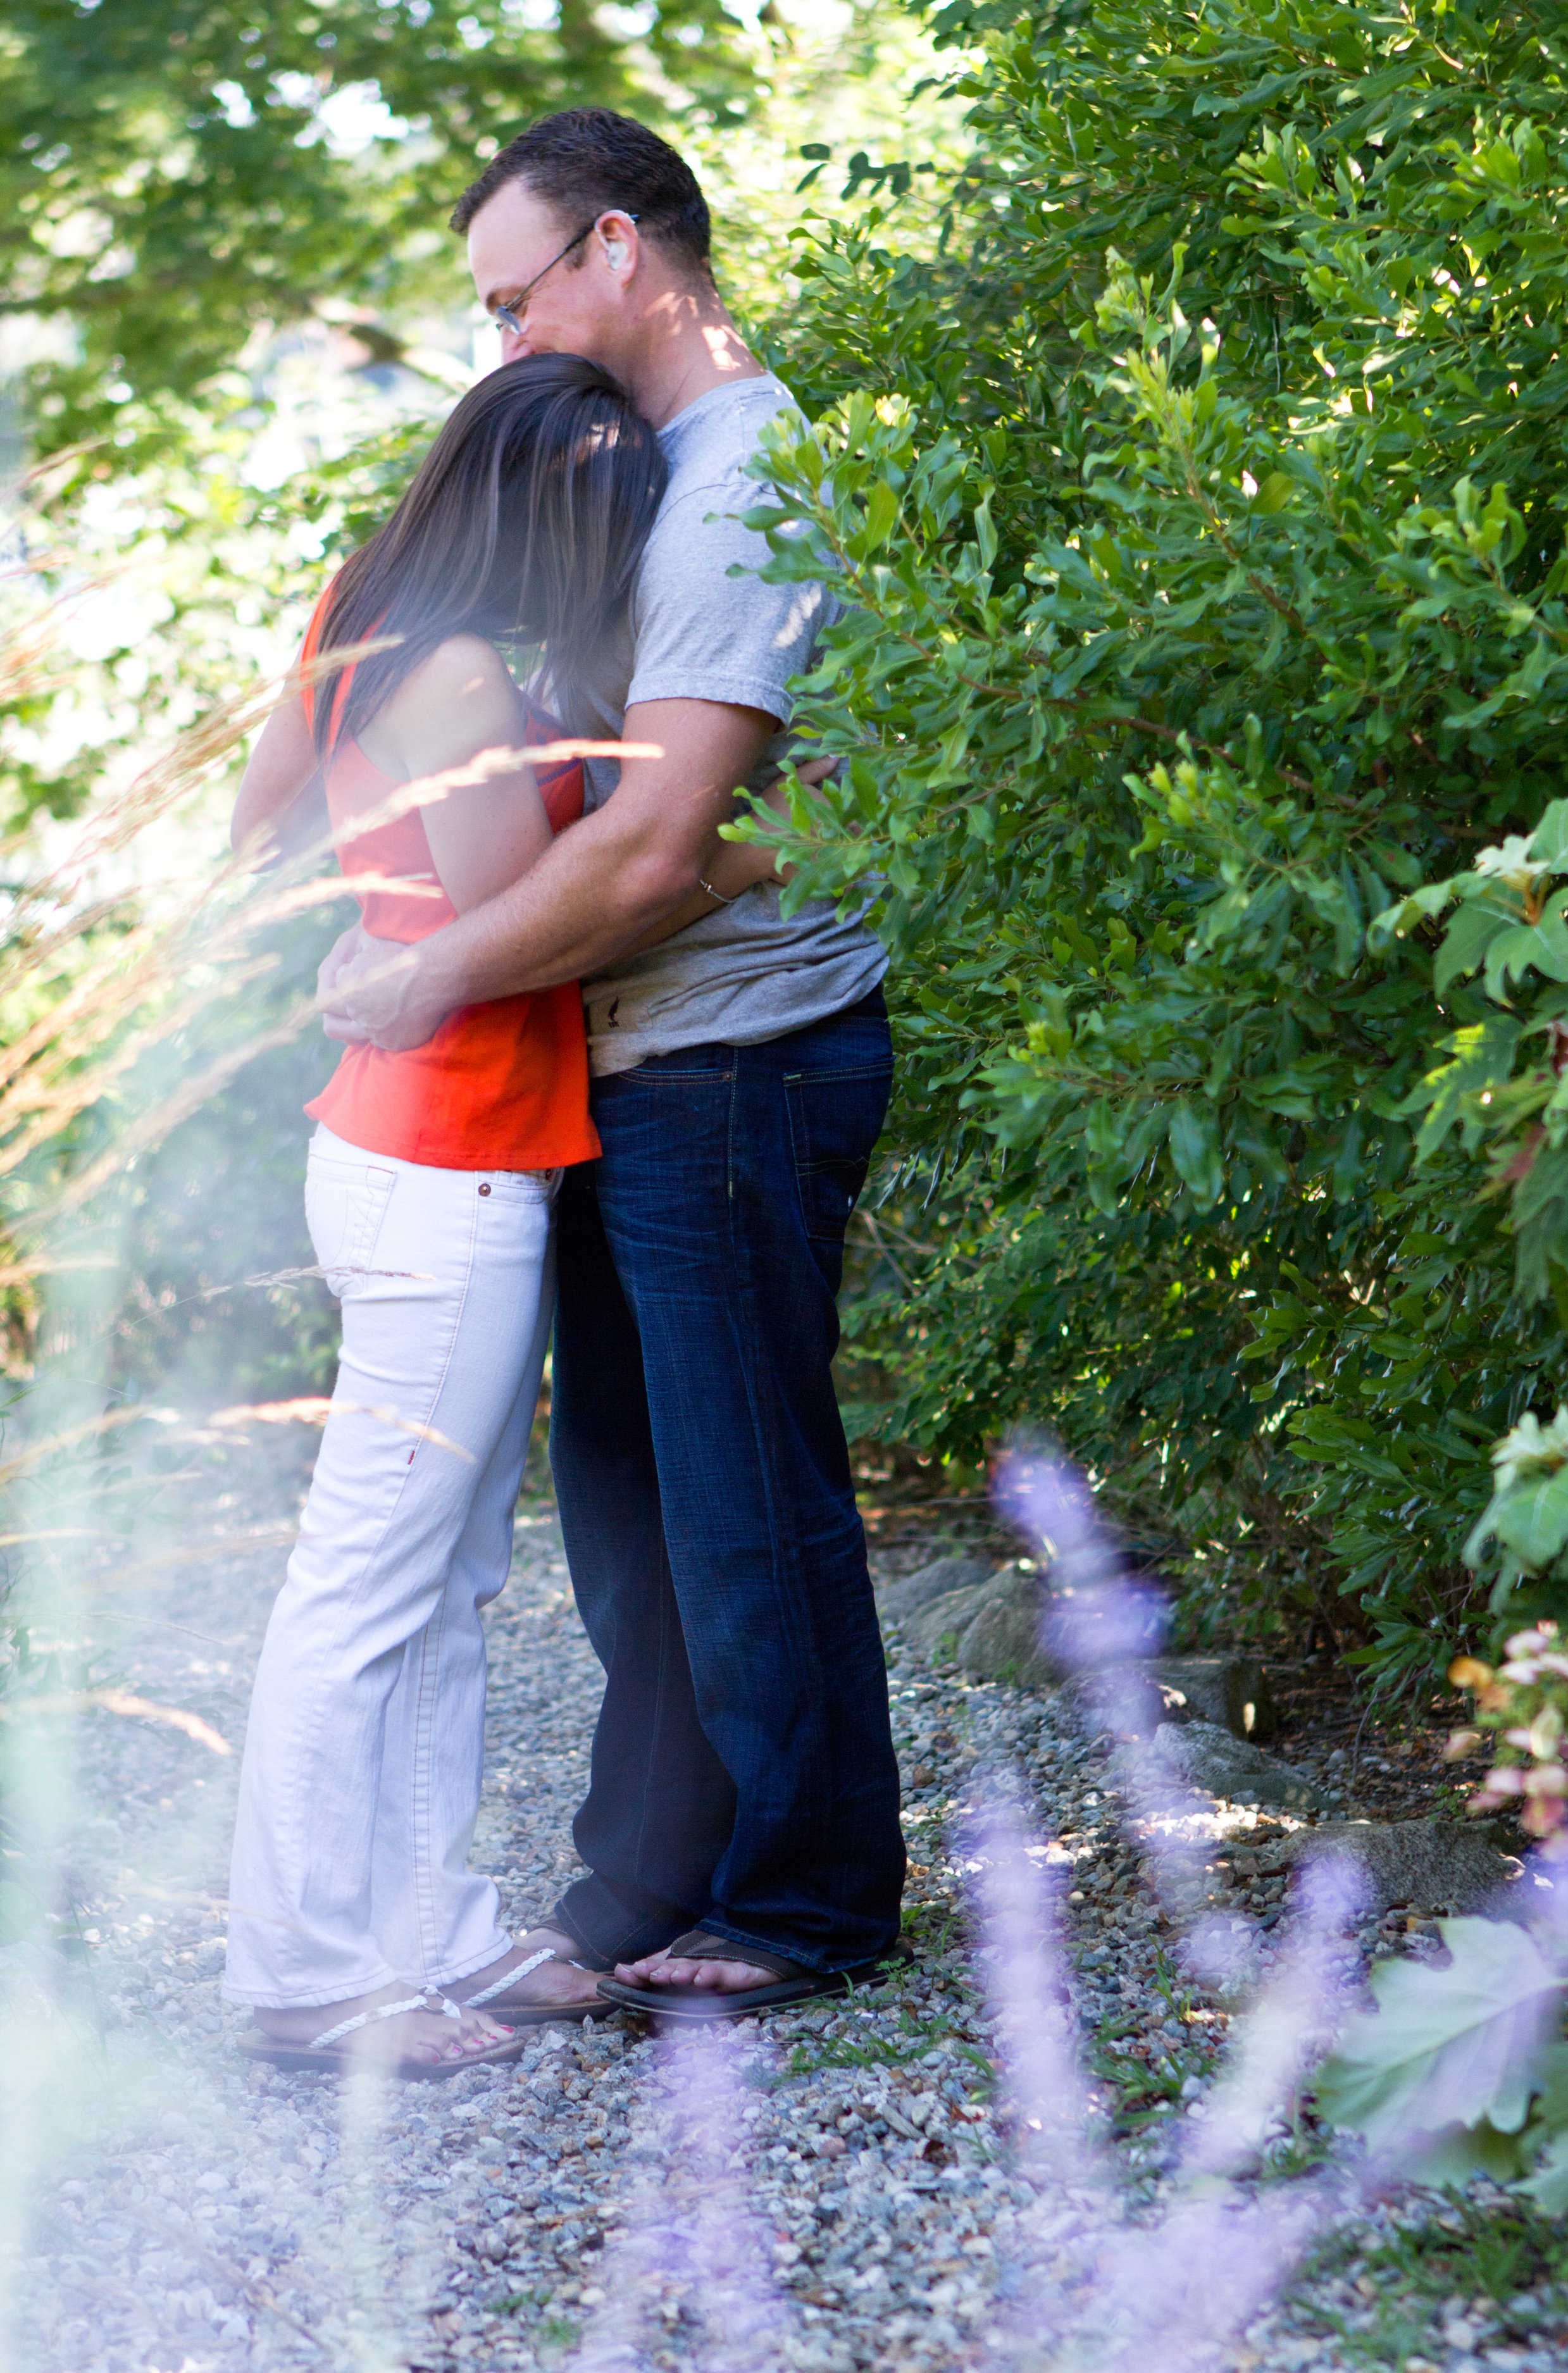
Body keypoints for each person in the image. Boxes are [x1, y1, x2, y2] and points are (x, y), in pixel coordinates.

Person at [316, 109, 907, 2019]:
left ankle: (808, 1901)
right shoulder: (641, 470)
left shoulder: (737, 488)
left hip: (733, 1060)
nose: (500, 345)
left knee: (740, 1499)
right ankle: (644, 1885)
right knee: (636, 1508)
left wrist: (429, 975)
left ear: (624, 253)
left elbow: (660, 850)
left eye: (515, 295)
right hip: (627, 1058)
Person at [222, 352, 785, 2075]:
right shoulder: (455, 666)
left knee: (447, 1578)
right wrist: (748, 842)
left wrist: (366, 907)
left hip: (432, 1153)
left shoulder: (362, 608)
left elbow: (262, 834)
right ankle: (308, 1979)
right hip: (441, 1163)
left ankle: (431, 1938)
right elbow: (504, 913)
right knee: (372, 1585)